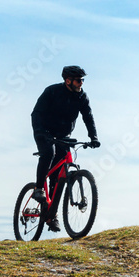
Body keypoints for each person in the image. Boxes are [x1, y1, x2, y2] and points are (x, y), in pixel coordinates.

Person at [30, 65, 100, 232]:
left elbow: (88, 117)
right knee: (48, 153)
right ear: (68, 80)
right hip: (44, 132)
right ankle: (39, 188)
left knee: (59, 171)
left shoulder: (82, 96)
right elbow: (36, 114)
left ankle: (51, 214)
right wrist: (40, 132)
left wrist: (94, 137)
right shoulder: (52, 91)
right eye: (78, 80)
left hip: (63, 136)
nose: (81, 83)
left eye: (83, 80)